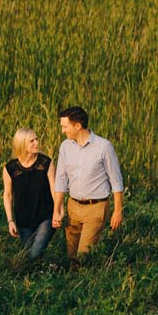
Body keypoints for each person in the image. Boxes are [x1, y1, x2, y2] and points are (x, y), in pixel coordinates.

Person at [51, 106, 124, 268]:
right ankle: (74, 286)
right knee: (71, 256)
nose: (63, 131)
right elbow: (61, 180)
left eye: (65, 126)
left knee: (83, 255)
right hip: (73, 206)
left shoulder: (104, 147)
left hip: (96, 208)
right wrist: (57, 209)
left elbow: (116, 181)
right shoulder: (65, 147)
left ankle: (87, 282)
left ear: (78, 126)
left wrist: (118, 211)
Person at [2, 128, 59, 266]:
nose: (36, 143)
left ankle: (42, 275)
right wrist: (10, 221)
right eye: (31, 141)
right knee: (28, 257)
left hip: (45, 216)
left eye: (36, 139)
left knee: (35, 253)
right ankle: (39, 278)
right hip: (23, 219)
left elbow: (55, 189)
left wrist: (57, 211)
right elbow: (8, 195)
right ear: (21, 144)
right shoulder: (10, 168)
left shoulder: (45, 163)